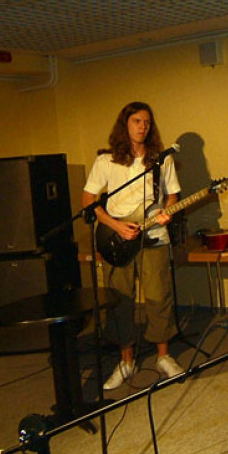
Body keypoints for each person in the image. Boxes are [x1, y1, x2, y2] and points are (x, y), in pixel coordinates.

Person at [82, 101, 184, 390]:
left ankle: (164, 357)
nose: (143, 126)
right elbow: (88, 200)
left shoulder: (161, 160)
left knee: (158, 296)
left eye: (147, 122)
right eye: (137, 121)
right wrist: (114, 225)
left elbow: (173, 196)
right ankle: (126, 361)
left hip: (153, 238)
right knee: (119, 300)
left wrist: (168, 212)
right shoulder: (106, 161)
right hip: (116, 239)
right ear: (124, 124)